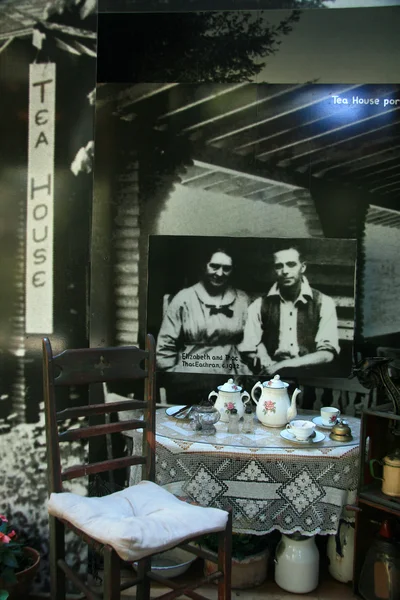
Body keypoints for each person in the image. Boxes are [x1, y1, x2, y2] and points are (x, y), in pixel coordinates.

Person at [238, 246, 340, 375]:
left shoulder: (324, 303)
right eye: (279, 266)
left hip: (310, 376)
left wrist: (283, 365)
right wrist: (262, 357)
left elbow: (327, 354)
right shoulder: (259, 304)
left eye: (291, 264)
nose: (285, 271)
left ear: (303, 267)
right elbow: (249, 345)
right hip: (271, 373)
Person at [156, 248, 251, 374]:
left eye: (226, 268)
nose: (220, 273)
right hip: (192, 368)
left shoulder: (242, 299)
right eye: (214, 266)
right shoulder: (184, 298)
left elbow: (252, 339)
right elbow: (166, 343)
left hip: (232, 370)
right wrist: (170, 373)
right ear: (204, 266)